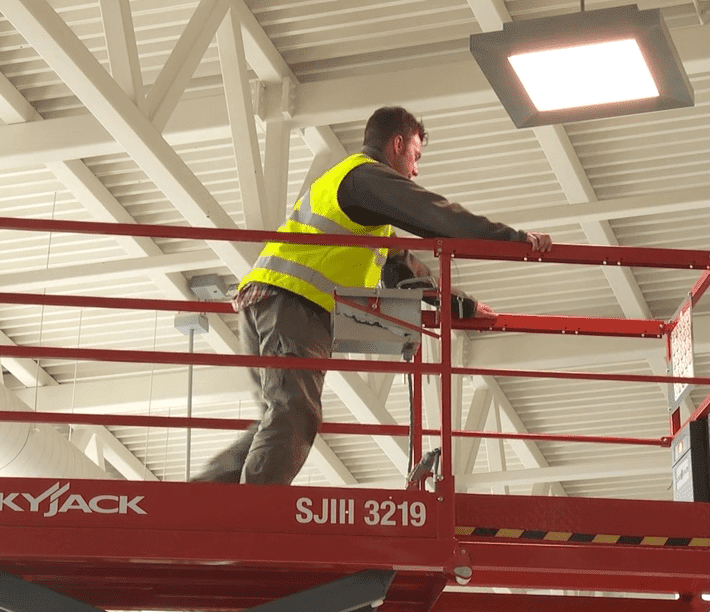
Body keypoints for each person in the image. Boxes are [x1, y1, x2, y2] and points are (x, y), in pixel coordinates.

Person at [191, 106, 553, 485]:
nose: (415, 170)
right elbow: (433, 214)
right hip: (293, 302)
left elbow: (405, 269)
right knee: (294, 414)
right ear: (397, 144)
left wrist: (459, 303)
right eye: (415, 156)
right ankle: (252, 518)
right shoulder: (363, 177)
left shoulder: (356, 198)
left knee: (279, 415)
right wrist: (514, 240)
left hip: (265, 300)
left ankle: (203, 499)